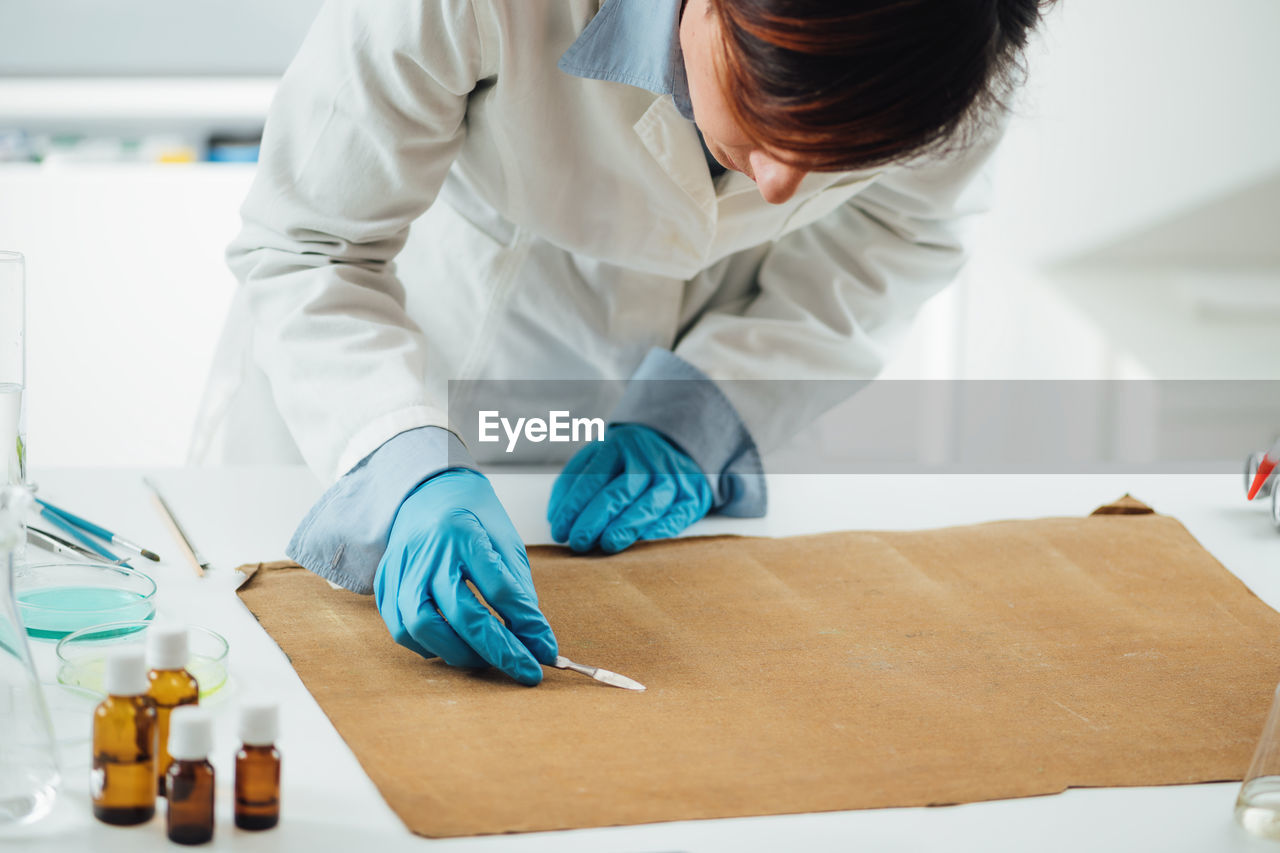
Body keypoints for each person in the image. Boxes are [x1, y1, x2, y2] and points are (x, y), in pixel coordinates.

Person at [192, 0, 1056, 685]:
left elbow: (898, 235)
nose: (781, 181)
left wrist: (710, 406)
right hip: (393, 366)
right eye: (767, 113)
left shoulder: (960, 48)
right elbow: (312, 246)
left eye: (839, 155)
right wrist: (398, 461)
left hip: (673, 428)